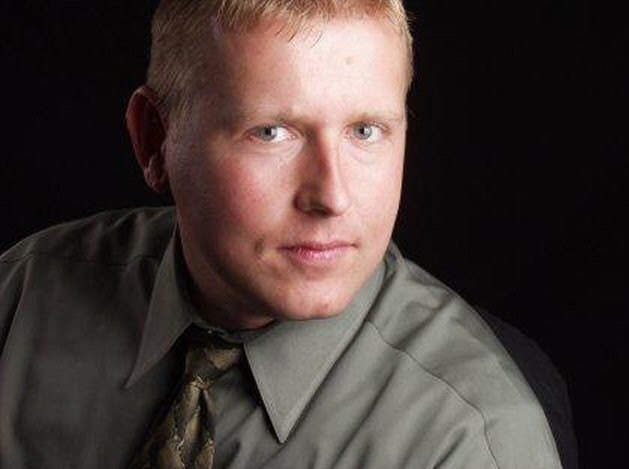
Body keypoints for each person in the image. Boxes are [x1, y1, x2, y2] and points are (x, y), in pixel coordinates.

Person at [0, 1, 567, 468]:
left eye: (365, 131)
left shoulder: (468, 441)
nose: (332, 196)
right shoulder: (19, 299)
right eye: (272, 133)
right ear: (154, 140)